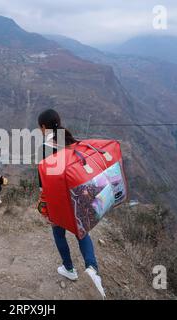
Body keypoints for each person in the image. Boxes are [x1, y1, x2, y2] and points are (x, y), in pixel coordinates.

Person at [37, 109, 105, 299]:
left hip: (58, 200)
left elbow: (43, 182)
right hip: (79, 196)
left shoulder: (46, 146)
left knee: (58, 232)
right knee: (81, 232)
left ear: (43, 127)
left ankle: (69, 268)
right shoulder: (70, 140)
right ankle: (92, 269)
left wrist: (44, 203)